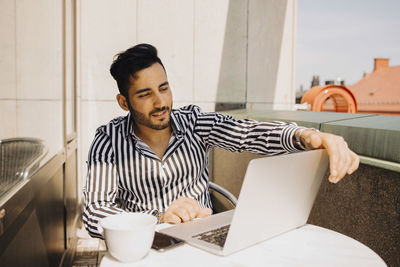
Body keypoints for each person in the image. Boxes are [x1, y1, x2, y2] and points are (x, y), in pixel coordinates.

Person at [83, 43, 359, 238]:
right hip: (146, 248)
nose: (160, 102)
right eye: (145, 94)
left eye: (164, 88)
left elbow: (248, 132)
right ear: (123, 102)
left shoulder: (194, 122)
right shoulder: (108, 140)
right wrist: (159, 218)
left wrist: (308, 136)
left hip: (202, 242)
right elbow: (95, 214)